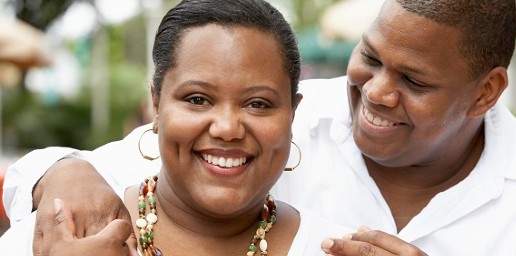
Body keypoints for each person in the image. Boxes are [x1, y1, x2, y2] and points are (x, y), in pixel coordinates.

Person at [4, 0, 516, 255]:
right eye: (370, 57)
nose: (375, 92)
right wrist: (61, 171)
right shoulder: (283, 113)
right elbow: (136, 164)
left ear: (487, 93)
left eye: (415, 82)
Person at [0, 0, 355, 255]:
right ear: (156, 104)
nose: (228, 127)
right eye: (198, 99)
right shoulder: (62, 238)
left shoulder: (335, 248)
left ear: (293, 113)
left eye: (257, 103)